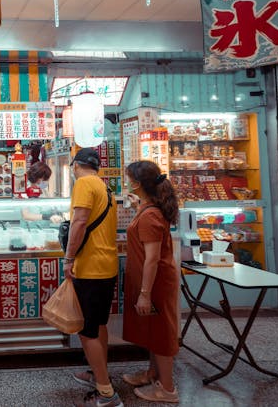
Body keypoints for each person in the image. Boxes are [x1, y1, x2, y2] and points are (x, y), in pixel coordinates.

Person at [65, 148, 122, 407]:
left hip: (90, 268)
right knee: (98, 326)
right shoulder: (104, 187)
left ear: (76, 165)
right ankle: (99, 374)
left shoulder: (84, 184)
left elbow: (78, 223)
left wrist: (68, 258)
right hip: (106, 265)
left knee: (87, 331)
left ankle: (107, 394)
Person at [122, 160, 180, 403]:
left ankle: (167, 389)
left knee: (161, 333)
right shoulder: (149, 208)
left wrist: (145, 293)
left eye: (128, 178)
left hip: (155, 282)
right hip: (152, 281)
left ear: (136, 183)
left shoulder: (150, 216)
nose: (125, 182)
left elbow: (152, 259)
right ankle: (153, 373)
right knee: (154, 331)